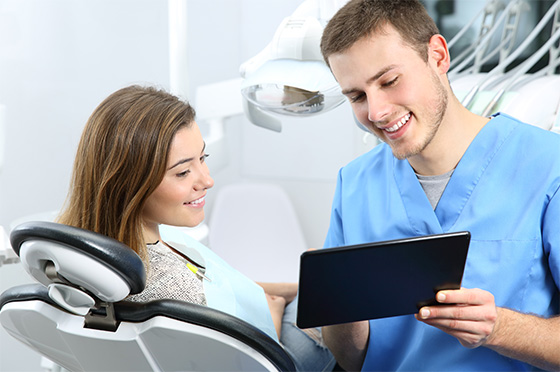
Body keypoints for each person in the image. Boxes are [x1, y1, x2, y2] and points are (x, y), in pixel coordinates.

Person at [318, 0, 560, 371]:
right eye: (357, 96)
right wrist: (336, 301)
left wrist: (499, 328)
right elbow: (351, 360)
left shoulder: (547, 167)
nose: (377, 111)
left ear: (438, 55)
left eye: (389, 81)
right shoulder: (355, 184)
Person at [57, 85, 335, 372]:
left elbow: (210, 281)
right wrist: (275, 309)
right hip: (277, 352)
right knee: (334, 290)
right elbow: (246, 363)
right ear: (129, 183)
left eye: (203, 158)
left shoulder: (102, 254)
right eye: (182, 172)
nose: (207, 180)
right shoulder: (173, 289)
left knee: (314, 282)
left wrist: (289, 291)